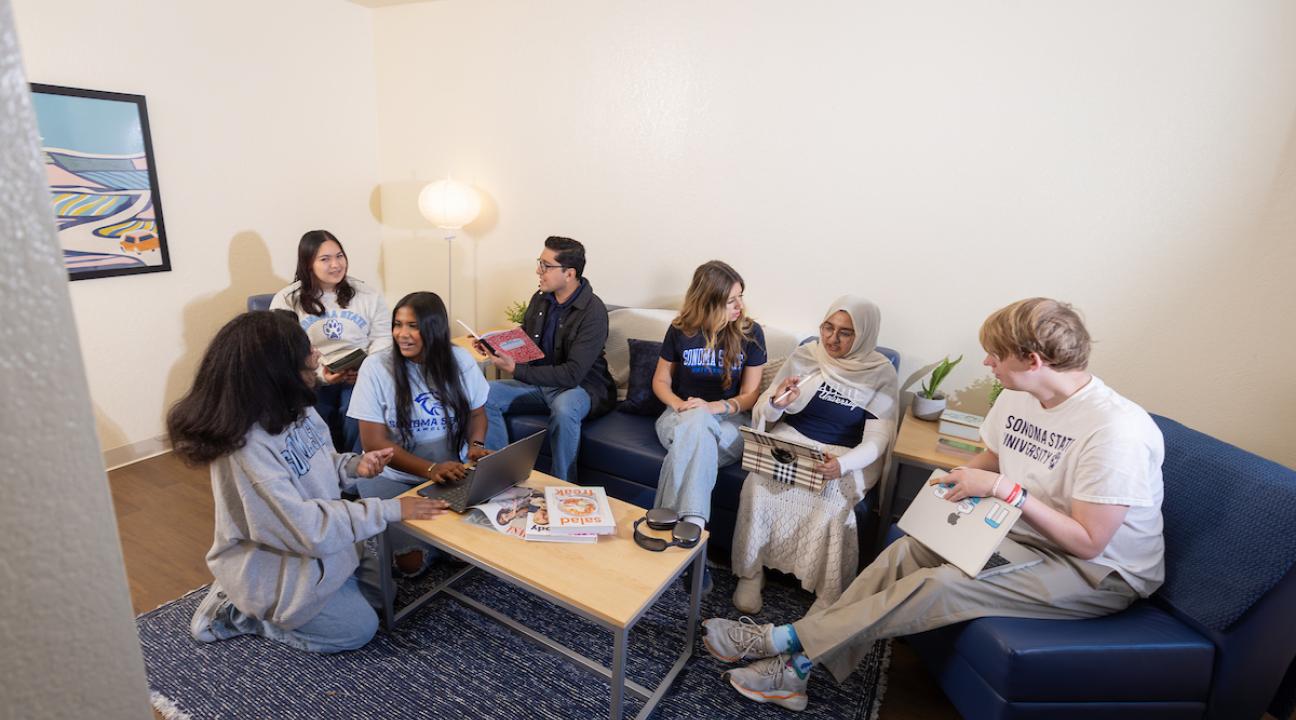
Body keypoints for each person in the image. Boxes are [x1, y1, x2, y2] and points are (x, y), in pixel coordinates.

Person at [701, 298, 1164, 711]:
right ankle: (795, 672)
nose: (987, 362)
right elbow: (990, 458)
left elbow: (1088, 541)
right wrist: (955, 485)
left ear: (1034, 360)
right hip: (1020, 534)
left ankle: (781, 640)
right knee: (905, 552)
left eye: (996, 355)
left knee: (941, 585)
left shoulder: (1115, 430)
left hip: (1097, 571)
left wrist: (1007, 491)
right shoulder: (1018, 398)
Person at [167, 310, 448, 654]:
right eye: (307, 350)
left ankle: (299, 597)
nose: (316, 355)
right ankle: (242, 611)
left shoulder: (294, 406)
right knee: (358, 629)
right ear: (276, 369)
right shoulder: (246, 448)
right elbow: (307, 528)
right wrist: (390, 509)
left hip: (315, 549)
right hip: (283, 558)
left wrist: (354, 465)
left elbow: (319, 462)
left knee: (384, 596)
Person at [730, 296, 900, 614]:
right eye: (828, 327)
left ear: (863, 334)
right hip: (793, 439)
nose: (832, 339)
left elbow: (878, 440)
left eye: (845, 333)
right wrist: (779, 403)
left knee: (835, 500)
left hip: (842, 453)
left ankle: (829, 594)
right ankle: (752, 573)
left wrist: (843, 465)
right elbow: (768, 410)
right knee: (758, 483)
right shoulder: (808, 355)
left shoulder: (880, 373)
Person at [348, 291, 491, 575]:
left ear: (434, 329)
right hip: (393, 476)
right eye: (398, 324)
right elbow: (373, 442)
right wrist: (430, 469)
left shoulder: (460, 360)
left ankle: (439, 533)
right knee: (412, 567)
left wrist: (475, 445)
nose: (402, 334)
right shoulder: (376, 367)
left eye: (413, 326)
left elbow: (477, 413)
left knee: (464, 556)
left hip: (450, 472)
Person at [652, 261, 767, 591]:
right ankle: (694, 534)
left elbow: (750, 395)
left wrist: (711, 408)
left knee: (698, 431)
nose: (740, 306)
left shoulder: (750, 333)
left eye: (740, 297)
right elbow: (661, 380)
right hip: (679, 417)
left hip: (729, 422)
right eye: (732, 300)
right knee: (697, 430)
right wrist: (680, 405)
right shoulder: (680, 330)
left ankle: (668, 529)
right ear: (709, 301)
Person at [481, 236, 617, 481]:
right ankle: (497, 477)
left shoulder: (593, 312)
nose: (538, 271)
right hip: (540, 384)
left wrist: (516, 369)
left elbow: (573, 374)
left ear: (569, 273)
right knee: (485, 393)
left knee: (564, 409)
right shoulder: (541, 298)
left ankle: (563, 490)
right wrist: (493, 345)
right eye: (539, 263)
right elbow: (525, 337)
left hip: (580, 387)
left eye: (546, 265)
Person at [270, 230, 392, 453]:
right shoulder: (287, 299)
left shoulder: (366, 294)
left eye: (340, 256)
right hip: (310, 377)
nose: (336, 265)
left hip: (359, 375)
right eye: (325, 259)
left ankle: (356, 472)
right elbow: (282, 350)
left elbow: (383, 338)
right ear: (308, 264)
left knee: (356, 409)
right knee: (314, 412)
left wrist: (368, 369)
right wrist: (320, 376)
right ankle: (324, 471)